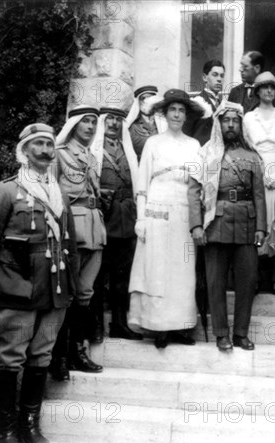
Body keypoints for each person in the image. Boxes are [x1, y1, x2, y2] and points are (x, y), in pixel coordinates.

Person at [0, 123, 79, 443]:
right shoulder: (5, 191)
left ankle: (29, 426)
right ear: (24, 150)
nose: (45, 150)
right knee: (9, 358)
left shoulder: (59, 192)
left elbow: (70, 244)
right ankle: (4, 432)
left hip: (55, 289)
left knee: (41, 356)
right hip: (16, 287)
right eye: (38, 144)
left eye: (50, 145)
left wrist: (74, 288)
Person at [188, 101, 267, 352]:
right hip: (216, 223)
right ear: (218, 123)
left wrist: (261, 228)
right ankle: (221, 333)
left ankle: (241, 333)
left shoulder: (252, 156)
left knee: (247, 281)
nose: (230, 125)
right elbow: (193, 193)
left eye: (235, 120)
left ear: (240, 124)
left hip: (246, 224)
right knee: (215, 281)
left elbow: (259, 195)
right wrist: (196, 226)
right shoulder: (205, 153)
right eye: (226, 120)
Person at [128, 89, 204, 349]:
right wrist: (140, 219)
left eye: (182, 111)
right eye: (173, 109)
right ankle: (158, 326)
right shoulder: (153, 143)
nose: (177, 115)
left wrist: (197, 220)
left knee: (182, 269)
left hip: (183, 214)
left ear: (186, 115)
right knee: (158, 269)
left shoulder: (194, 145)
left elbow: (198, 187)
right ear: (165, 112)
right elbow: (142, 184)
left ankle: (181, 326)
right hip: (157, 212)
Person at [49, 105, 105, 381]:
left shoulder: (93, 158)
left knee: (85, 294)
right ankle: (58, 356)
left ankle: (77, 351)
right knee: (66, 295)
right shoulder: (59, 154)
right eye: (86, 122)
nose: (91, 127)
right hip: (70, 229)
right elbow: (49, 193)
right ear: (73, 124)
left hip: (94, 228)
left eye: (94, 122)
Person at [88, 107, 143, 341]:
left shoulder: (128, 151)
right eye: (109, 119)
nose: (113, 123)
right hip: (103, 216)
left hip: (126, 217)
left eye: (118, 120)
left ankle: (120, 323)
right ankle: (96, 325)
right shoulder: (94, 150)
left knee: (123, 275)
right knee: (97, 275)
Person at [243, 71, 275, 295]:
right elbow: (246, 148)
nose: (269, 91)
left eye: (273, 88)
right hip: (255, 169)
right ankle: (254, 276)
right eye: (264, 87)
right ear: (257, 91)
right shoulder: (248, 118)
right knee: (257, 221)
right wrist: (260, 172)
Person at [184, 59, 226, 146]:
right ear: (204, 77)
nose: (219, 79)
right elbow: (186, 133)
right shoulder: (196, 102)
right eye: (215, 75)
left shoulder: (223, 104)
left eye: (222, 76)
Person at [127, 85, 160, 158]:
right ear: (138, 102)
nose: (146, 101)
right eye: (143, 98)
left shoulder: (162, 124)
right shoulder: (132, 126)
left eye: (150, 98)